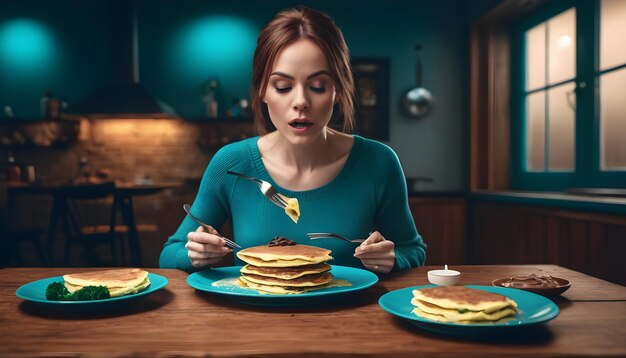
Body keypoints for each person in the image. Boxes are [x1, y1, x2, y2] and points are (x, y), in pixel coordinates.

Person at [160, 6, 426, 273]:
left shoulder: (379, 162)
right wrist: (193, 254)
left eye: (318, 86)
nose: (300, 102)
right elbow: (170, 254)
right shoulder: (230, 164)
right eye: (283, 87)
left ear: (337, 90)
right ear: (262, 90)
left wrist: (392, 258)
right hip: (252, 314)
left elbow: (412, 249)